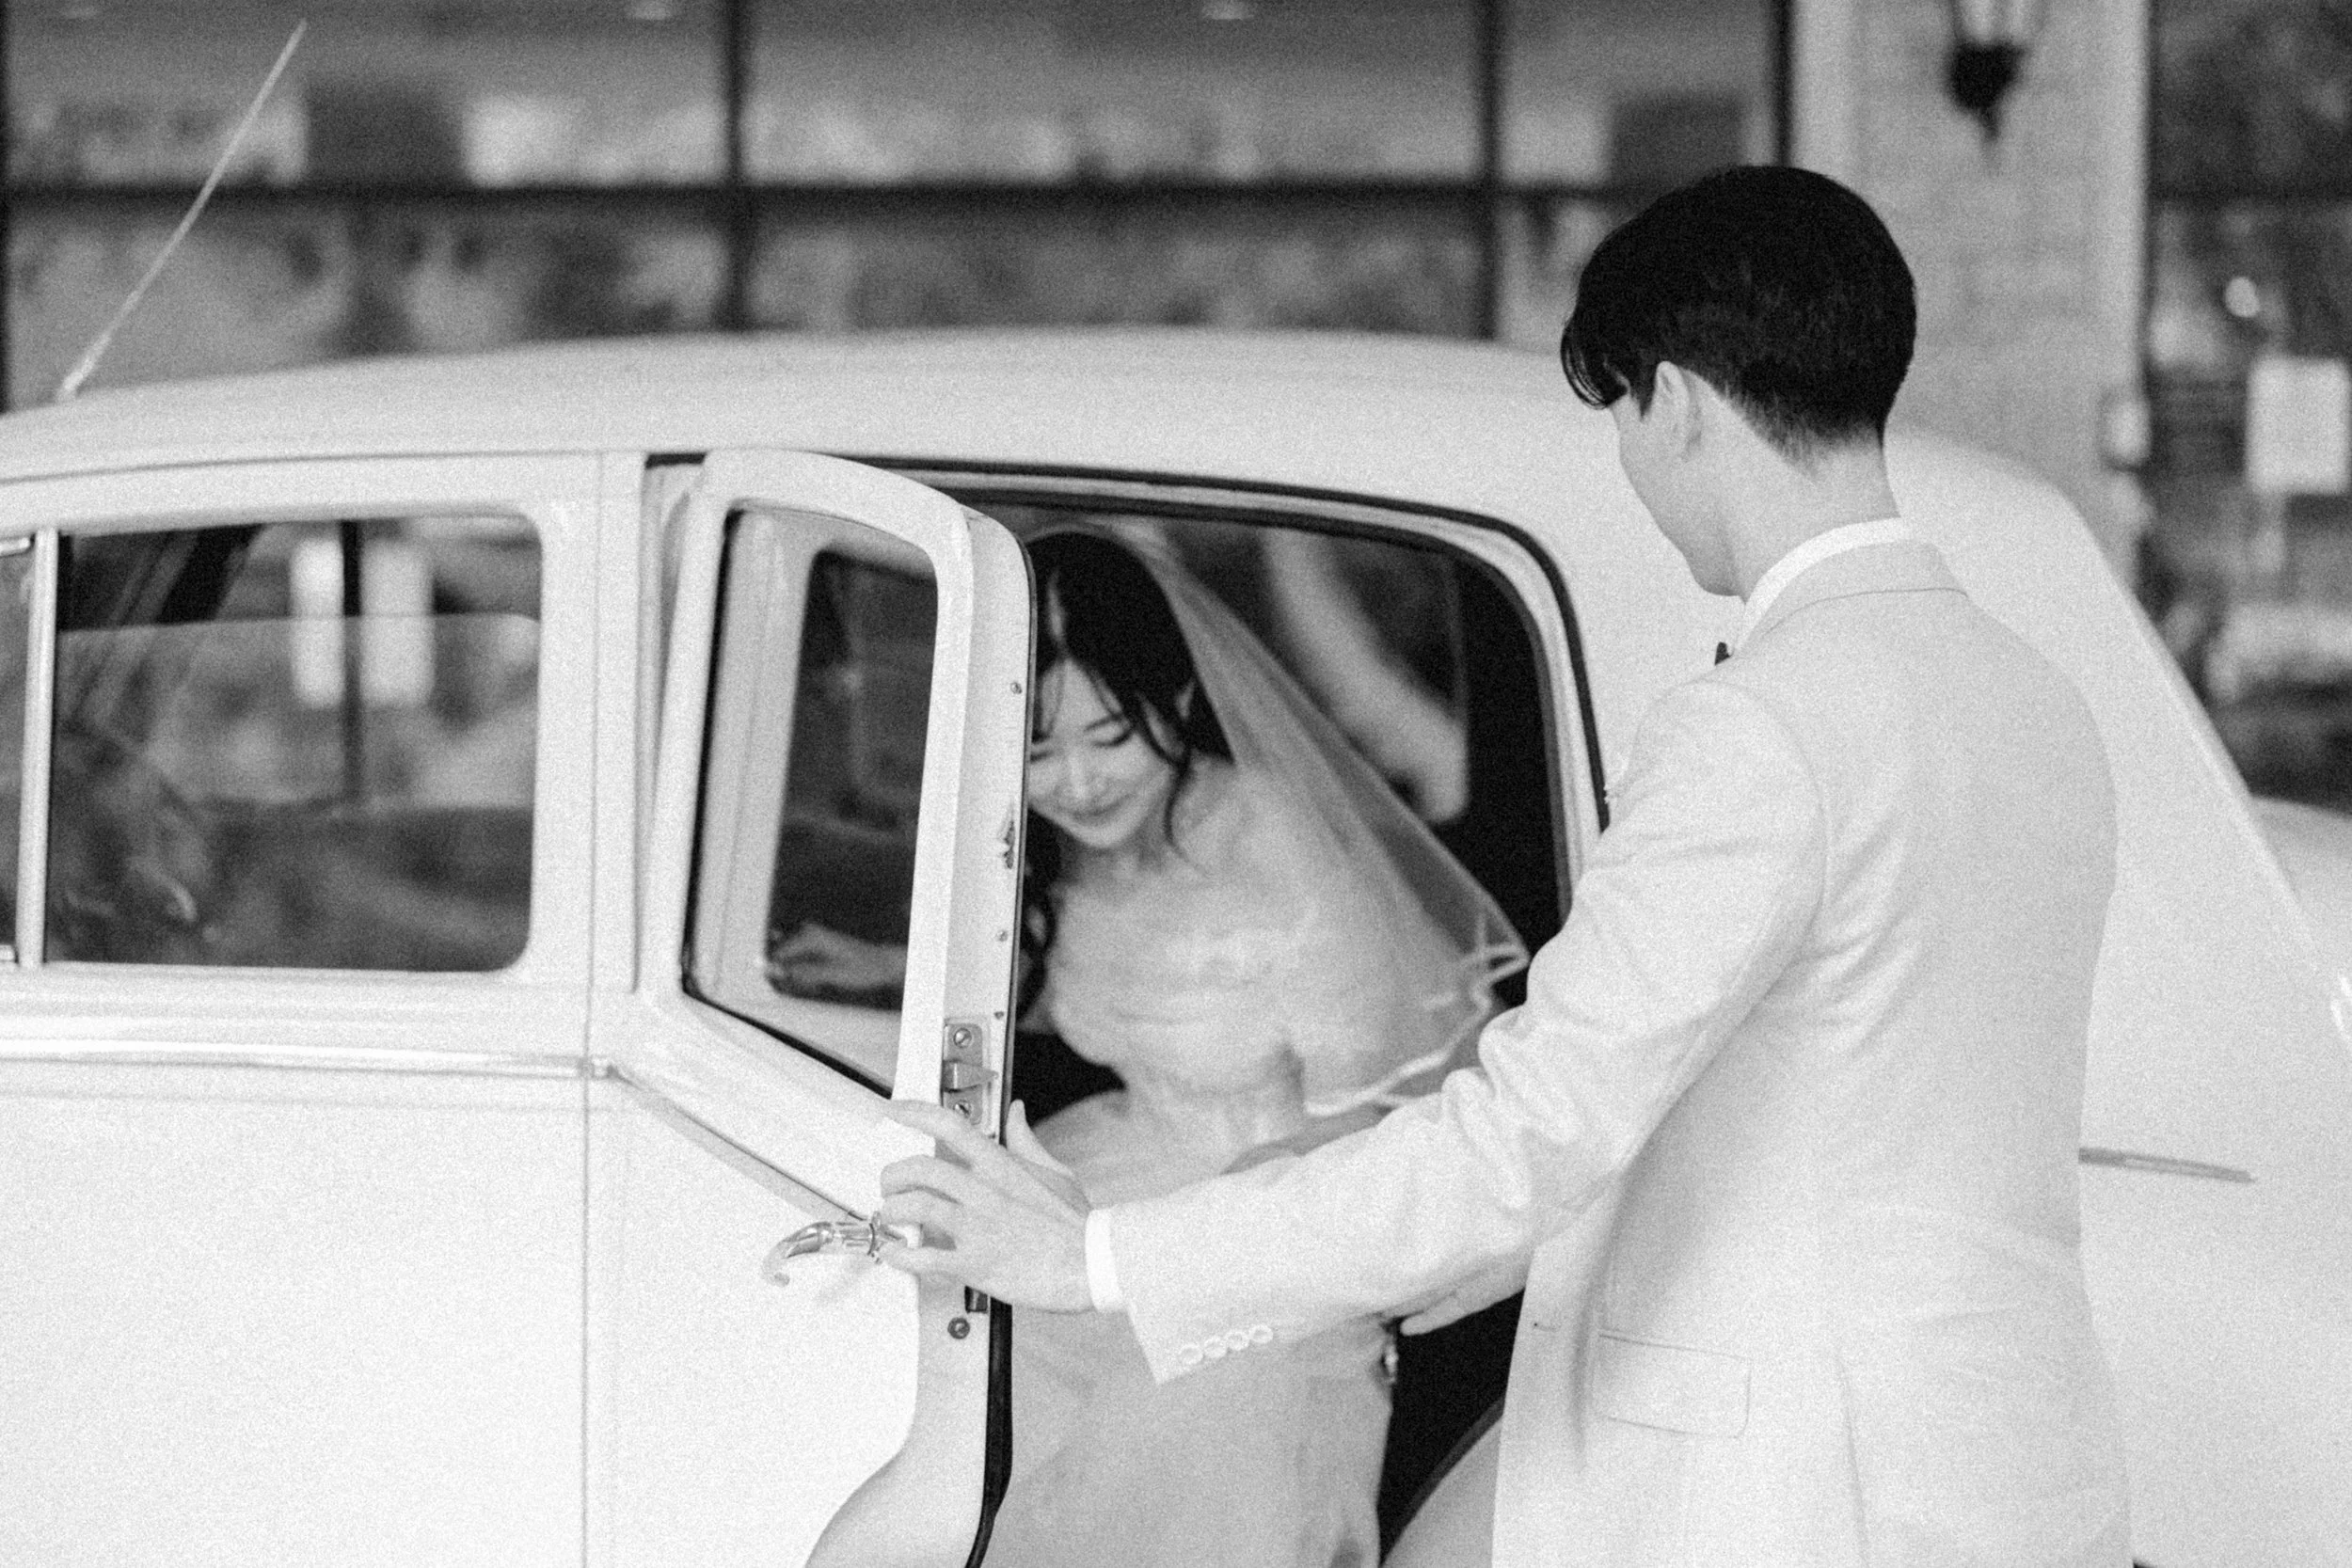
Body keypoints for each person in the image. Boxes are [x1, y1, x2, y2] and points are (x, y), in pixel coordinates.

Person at [877, 165, 2135, 1568]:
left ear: (1675, 401)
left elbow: (1525, 1134)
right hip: (2019, 1454)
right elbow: (1831, 1079)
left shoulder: (1758, 725)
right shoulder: (2039, 700)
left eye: (1621, 426)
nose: (1637, 474)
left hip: (1786, 1479)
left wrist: (1091, 1259)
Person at [977, 527, 1525, 1568]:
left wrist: (1208, 1258)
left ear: (1178, 703)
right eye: (1039, 749)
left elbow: (1367, 1118)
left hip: (1284, 1207)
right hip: (1112, 1169)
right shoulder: (1048, 852)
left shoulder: (1270, 841)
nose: (1079, 782)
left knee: (1169, 1421)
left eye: (1109, 733)